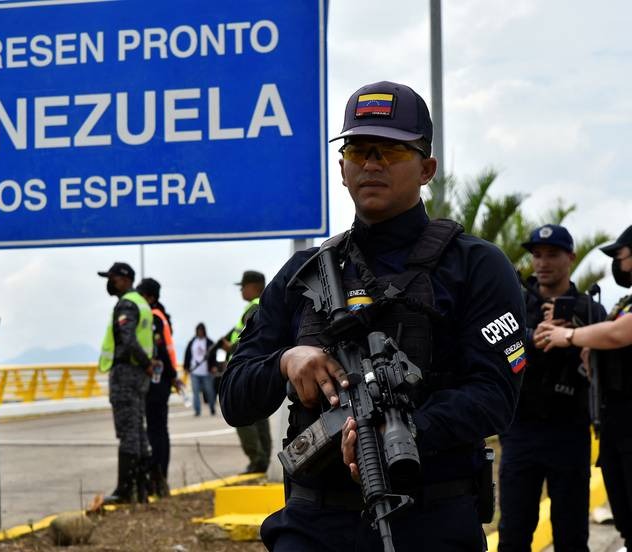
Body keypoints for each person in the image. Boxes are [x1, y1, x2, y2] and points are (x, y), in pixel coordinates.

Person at [219, 80, 526, 551]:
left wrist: (402, 432)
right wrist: (286, 361)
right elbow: (235, 397)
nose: (372, 163)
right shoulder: (304, 274)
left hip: (432, 519)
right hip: (313, 523)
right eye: (359, 150)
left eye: (391, 151)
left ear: (427, 168)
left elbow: (494, 396)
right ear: (342, 169)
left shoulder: (477, 267)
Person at [498, 225, 605, 552]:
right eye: (537, 255)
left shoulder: (589, 309)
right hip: (521, 431)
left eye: (553, 255)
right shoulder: (515, 304)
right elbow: (498, 348)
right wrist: (533, 335)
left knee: (572, 535)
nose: (543, 263)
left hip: (569, 431)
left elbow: (602, 369)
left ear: (570, 257)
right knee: (513, 532)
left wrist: (573, 336)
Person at [538, 224, 632, 550]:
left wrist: (571, 335)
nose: (617, 264)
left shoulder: (616, 312)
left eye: (620, 255)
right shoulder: (624, 301)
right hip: (614, 421)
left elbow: (620, 332)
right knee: (627, 518)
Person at [97, 262, 154, 504]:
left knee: (128, 432)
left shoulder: (127, 304)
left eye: (113, 278)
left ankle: (125, 490)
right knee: (138, 431)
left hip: (127, 372)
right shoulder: (141, 302)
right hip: (138, 374)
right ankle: (142, 489)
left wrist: (144, 362)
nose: (110, 283)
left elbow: (128, 339)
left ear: (125, 279)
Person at [221, 270, 272, 474]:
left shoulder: (253, 308)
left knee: (242, 415)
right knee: (259, 416)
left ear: (254, 286)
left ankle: (256, 459)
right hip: (257, 368)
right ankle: (263, 459)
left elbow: (248, 338)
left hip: (245, 370)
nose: (241, 290)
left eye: (243, 286)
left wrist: (229, 349)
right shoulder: (263, 306)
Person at [136, 276, 180, 498]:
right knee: (159, 430)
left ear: (150, 297)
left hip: (157, 381)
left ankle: (158, 477)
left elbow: (160, 350)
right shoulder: (161, 314)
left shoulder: (152, 317)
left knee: (155, 431)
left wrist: (171, 376)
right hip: (163, 380)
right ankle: (159, 478)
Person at [184, 323, 216, 416]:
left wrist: (214, 366)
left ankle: (212, 408)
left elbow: (213, 355)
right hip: (195, 371)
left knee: (209, 391)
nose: (200, 332)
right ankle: (197, 411)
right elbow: (188, 355)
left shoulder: (209, 342)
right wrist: (186, 367)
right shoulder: (192, 342)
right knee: (195, 392)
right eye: (198, 331)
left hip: (206, 372)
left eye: (201, 331)